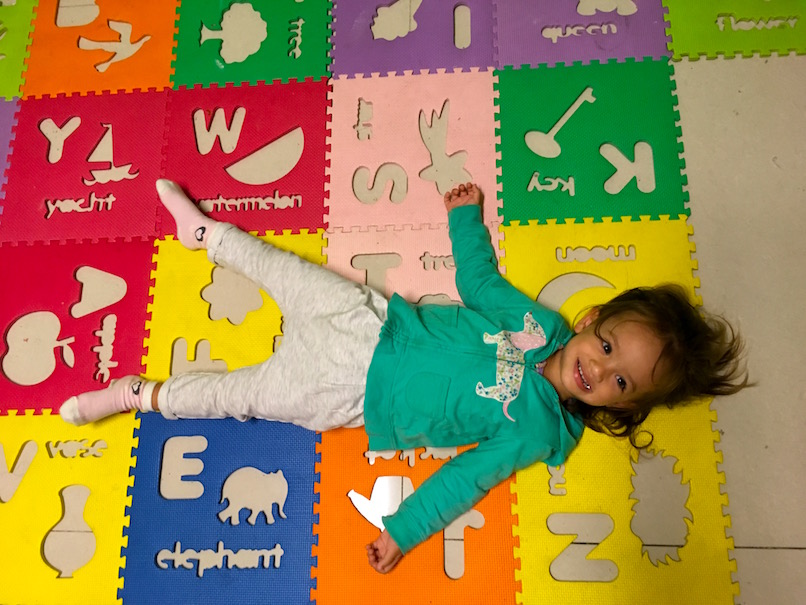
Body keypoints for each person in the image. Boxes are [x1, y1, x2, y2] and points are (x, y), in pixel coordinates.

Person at [59, 180, 749, 574]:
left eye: (620, 382)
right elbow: (479, 281)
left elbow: (464, 478)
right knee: (283, 270)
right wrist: (462, 217)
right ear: (593, 317)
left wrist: (404, 527)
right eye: (604, 344)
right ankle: (205, 235)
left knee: (238, 395)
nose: (597, 368)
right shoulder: (541, 324)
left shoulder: (538, 429)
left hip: (349, 392)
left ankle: (134, 394)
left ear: (624, 407)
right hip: (372, 322)